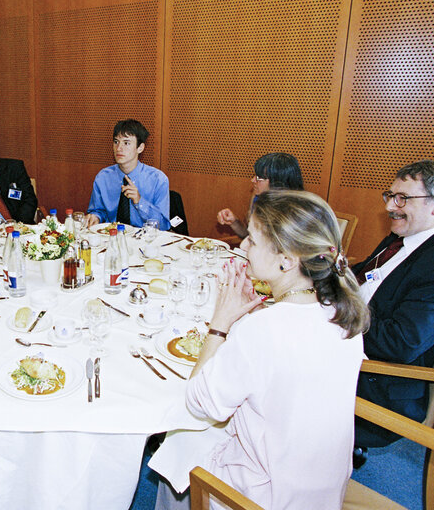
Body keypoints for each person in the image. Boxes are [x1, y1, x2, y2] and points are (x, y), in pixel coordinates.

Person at [150, 190, 369, 509]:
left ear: (286, 259)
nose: (242, 246)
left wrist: (220, 323)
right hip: (322, 487)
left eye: (252, 240)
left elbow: (199, 403)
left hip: (266, 496)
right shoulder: (344, 313)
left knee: (181, 440)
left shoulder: (263, 329)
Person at [352, 160, 434, 463]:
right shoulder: (401, 240)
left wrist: (341, 310)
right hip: (357, 343)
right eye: (390, 196)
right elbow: (363, 275)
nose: (390, 207)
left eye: (403, 199)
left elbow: (400, 342)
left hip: (379, 381)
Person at [84, 119, 170, 230]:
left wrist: (140, 201)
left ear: (140, 148)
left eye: (126, 143)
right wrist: (95, 217)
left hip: (144, 241)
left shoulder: (158, 179)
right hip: (111, 238)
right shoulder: (103, 177)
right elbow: (98, 211)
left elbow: (163, 226)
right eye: (116, 142)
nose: (119, 148)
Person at [216, 152, 304, 239]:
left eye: (259, 178)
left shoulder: (297, 214)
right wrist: (234, 222)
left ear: (277, 183)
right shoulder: (258, 197)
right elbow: (250, 237)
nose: (253, 180)